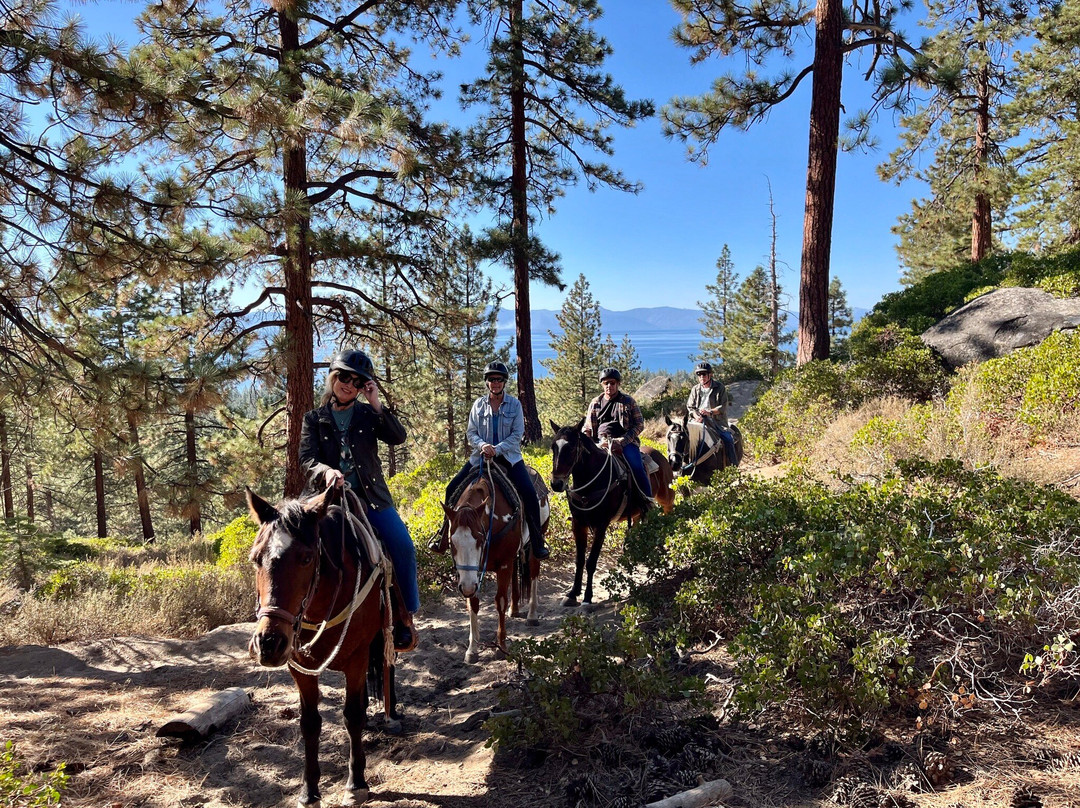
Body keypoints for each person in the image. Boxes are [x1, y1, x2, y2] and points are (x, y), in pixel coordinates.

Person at [298, 348, 419, 652]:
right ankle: (288, 616)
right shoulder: (314, 419)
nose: (348, 384)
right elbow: (306, 458)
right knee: (287, 546)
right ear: (332, 377)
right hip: (325, 498)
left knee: (402, 547)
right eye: (343, 377)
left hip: (371, 497)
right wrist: (325, 472)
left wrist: (377, 402)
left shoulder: (367, 414)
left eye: (357, 381)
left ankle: (405, 617)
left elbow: (398, 437)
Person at [433, 361, 549, 560]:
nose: (495, 383)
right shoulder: (478, 405)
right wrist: (482, 446)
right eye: (491, 380)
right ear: (486, 382)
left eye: (498, 380)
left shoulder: (515, 404)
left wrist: (497, 449)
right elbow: (471, 433)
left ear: (504, 382)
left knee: (530, 494)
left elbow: (517, 434)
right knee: (451, 488)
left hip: (509, 458)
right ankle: (443, 535)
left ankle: (537, 542)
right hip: (480, 457)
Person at [582, 367, 654, 511]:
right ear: (602, 384)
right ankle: (581, 505)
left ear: (618, 384)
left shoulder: (628, 401)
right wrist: (587, 438)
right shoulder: (595, 403)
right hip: (600, 442)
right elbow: (588, 426)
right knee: (582, 466)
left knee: (636, 466)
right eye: (606, 383)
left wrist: (623, 440)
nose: (609, 386)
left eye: (613, 383)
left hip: (625, 443)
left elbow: (639, 424)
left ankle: (648, 501)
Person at [686, 361, 737, 465]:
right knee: (682, 438)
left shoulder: (719, 387)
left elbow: (723, 406)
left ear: (710, 374)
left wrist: (710, 412)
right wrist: (696, 415)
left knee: (728, 439)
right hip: (697, 420)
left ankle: (733, 465)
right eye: (699, 375)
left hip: (716, 421)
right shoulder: (695, 389)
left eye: (704, 374)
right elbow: (690, 406)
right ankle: (681, 467)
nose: (701, 377)